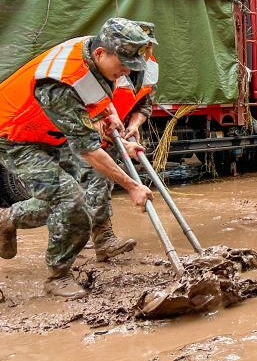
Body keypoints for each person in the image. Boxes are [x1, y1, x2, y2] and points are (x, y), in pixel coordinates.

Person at [0, 19, 154, 298]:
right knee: (70, 198)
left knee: (95, 179)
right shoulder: (60, 82)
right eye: (122, 65)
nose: (126, 72)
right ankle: (57, 275)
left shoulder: (95, 51)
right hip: (13, 136)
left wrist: (111, 122)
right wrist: (132, 185)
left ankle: (101, 239)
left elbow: (94, 101)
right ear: (101, 54)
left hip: (51, 130)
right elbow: (88, 148)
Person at [71, 19, 159, 263]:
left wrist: (134, 125)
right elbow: (88, 100)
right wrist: (101, 124)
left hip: (117, 131)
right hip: (93, 128)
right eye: (140, 47)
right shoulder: (107, 63)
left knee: (101, 184)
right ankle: (96, 238)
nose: (144, 52)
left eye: (148, 46)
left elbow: (144, 104)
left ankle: (98, 239)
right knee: (87, 184)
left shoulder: (150, 68)